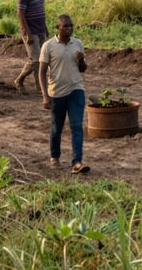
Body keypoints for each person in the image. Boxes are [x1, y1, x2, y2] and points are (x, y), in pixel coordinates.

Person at [38, 14, 90, 174]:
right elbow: (41, 72)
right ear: (58, 28)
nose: (69, 29)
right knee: (56, 128)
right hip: (57, 93)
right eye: (65, 26)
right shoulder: (48, 46)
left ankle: (77, 162)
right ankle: (55, 157)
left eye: (71, 26)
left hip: (76, 90)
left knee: (77, 126)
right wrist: (45, 96)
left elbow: (82, 69)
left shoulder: (78, 44)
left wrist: (81, 61)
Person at [13, 0, 48, 95]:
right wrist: (27, 33)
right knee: (35, 59)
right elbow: (20, 14)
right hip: (31, 31)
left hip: (40, 30)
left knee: (41, 59)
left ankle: (40, 87)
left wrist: (45, 27)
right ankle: (19, 80)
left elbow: (40, 11)